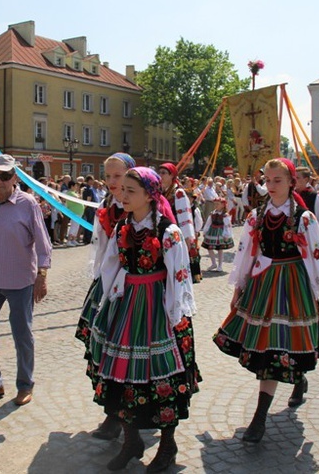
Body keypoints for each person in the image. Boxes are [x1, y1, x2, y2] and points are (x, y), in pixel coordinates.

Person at [213, 158, 319, 444]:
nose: (270, 185)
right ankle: (260, 418)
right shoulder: (257, 215)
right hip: (264, 282)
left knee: (290, 342)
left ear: (292, 182)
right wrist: (238, 287)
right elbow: (246, 252)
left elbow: (318, 256)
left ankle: (296, 379)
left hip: (294, 283)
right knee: (268, 348)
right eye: (267, 180)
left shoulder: (304, 218)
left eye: (277, 180)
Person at [89, 167, 199, 472]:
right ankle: (131, 439)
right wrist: (106, 303)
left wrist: (175, 316)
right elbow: (110, 265)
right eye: (122, 189)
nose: (122, 195)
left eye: (130, 191)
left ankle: (167, 446)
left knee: (162, 377)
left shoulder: (168, 231)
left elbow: (180, 277)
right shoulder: (123, 226)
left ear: (150, 196)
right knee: (120, 373)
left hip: (158, 307)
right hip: (129, 304)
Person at [0, 155, 51, 407]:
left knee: (21, 334)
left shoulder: (28, 204)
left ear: (15, 177)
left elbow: (43, 242)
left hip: (19, 280)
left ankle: (25, 385)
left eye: (5, 176)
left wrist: (43, 275)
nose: (0, 181)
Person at [75, 152, 135, 440]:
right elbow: (100, 248)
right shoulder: (105, 206)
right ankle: (112, 414)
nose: (111, 181)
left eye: (117, 175)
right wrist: (98, 279)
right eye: (107, 175)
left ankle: (127, 418)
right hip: (106, 286)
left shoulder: (141, 205)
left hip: (134, 288)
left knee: (126, 354)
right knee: (103, 351)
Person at [159, 162, 202, 282]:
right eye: (159, 172)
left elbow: (185, 217)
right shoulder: (161, 191)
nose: (160, 175)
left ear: (172, 175)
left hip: (177, 232)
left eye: (163, 173)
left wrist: (188, 238)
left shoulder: (178, 193)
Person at [201, 197, 234, 272]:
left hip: (220, 232)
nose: (215, 205)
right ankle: (213, 263)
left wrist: (226, 235)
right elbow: (208, 223)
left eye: (217, 204)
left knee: (220, 249)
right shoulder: (212, 213)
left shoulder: (225, 215)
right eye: (215, 204)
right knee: (209, 247)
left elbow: (228, 225)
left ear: (223, 205)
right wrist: (205, 231)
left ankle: (220, 265)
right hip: (212, 231)